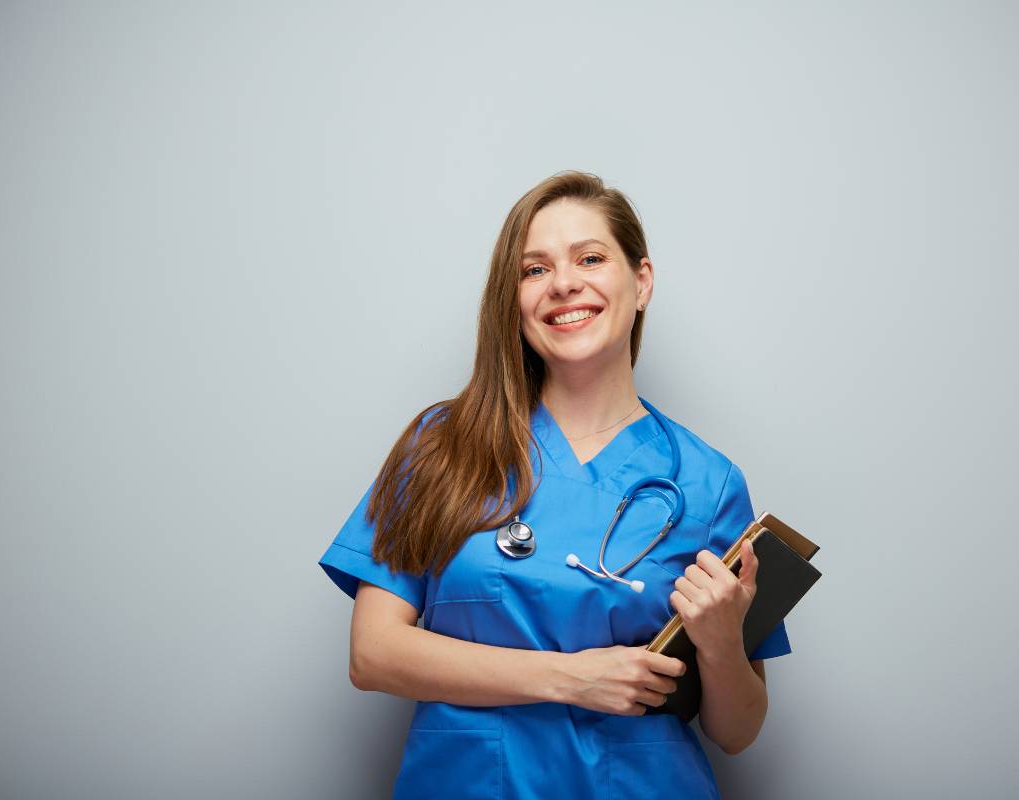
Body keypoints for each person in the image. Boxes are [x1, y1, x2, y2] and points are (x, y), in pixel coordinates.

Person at [318, 170, 791, 799]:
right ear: (512, 300)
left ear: (641, 281)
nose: (564, 283)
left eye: (591, 258)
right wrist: (571, 679)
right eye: (533, 270)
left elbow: (738, 731)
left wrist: (722, 645)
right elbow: (372, 655)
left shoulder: (710, 483)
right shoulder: (441, 445)